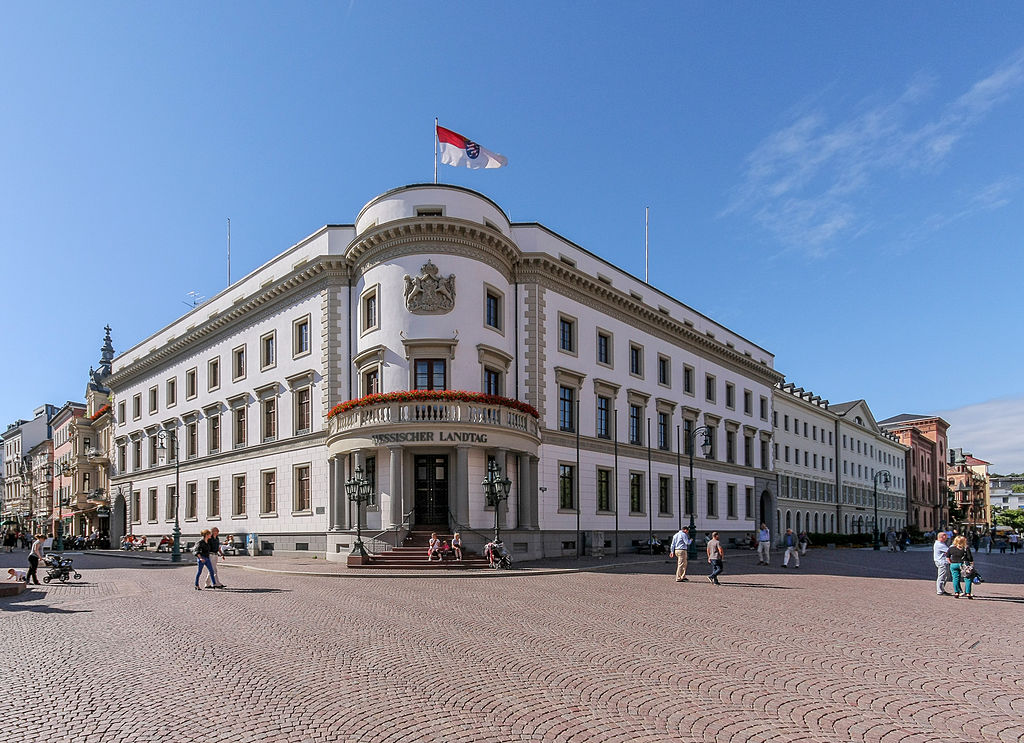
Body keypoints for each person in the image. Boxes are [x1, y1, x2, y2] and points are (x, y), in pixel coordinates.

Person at [947, 535, 975, 599]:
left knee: (955, 578)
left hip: (954, 564)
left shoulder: (951, 548)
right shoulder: (966, 548)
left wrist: (951, 562)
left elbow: (947, 556)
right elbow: (970, 557)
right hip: (964, 564)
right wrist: (972, 564)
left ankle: (957, 592)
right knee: (967, 578)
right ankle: (968, 593)